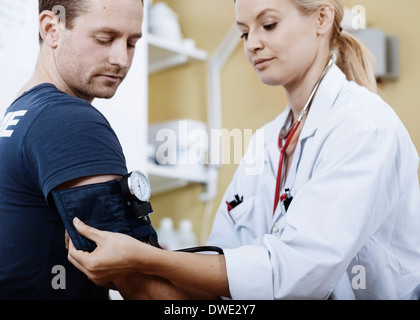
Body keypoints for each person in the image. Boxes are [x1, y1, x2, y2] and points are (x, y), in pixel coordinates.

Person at [67, 0, 420, 300]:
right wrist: (139, 271)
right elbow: (228, 275)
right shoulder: (266, 142)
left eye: (268, 24)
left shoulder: (363, 126)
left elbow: (294, 276)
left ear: (321, 19)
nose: (252, 44)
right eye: (245, 32)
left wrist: (146, 260)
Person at [0, 0, 152, 299]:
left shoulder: (20, 112)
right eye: (104, 39)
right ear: (51, 28)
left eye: (132, 43)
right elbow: (140, 286)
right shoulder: (68, 119)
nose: (121, 58)